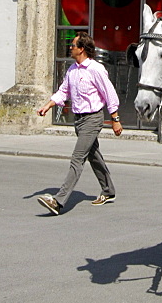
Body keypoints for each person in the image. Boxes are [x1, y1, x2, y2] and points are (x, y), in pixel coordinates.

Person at [36, 33, 123, 215]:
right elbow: (64, 91)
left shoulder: (95, 69)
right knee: (94, 155)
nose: (70, 47)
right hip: (79, 119)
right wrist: (48, 105)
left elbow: (110, 94)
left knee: (77, 158)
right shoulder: (72, 69)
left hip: (93, 118)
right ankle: (108, 191)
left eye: (73, 45)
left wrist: (115, 119)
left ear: (82, 49)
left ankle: (58, 201)